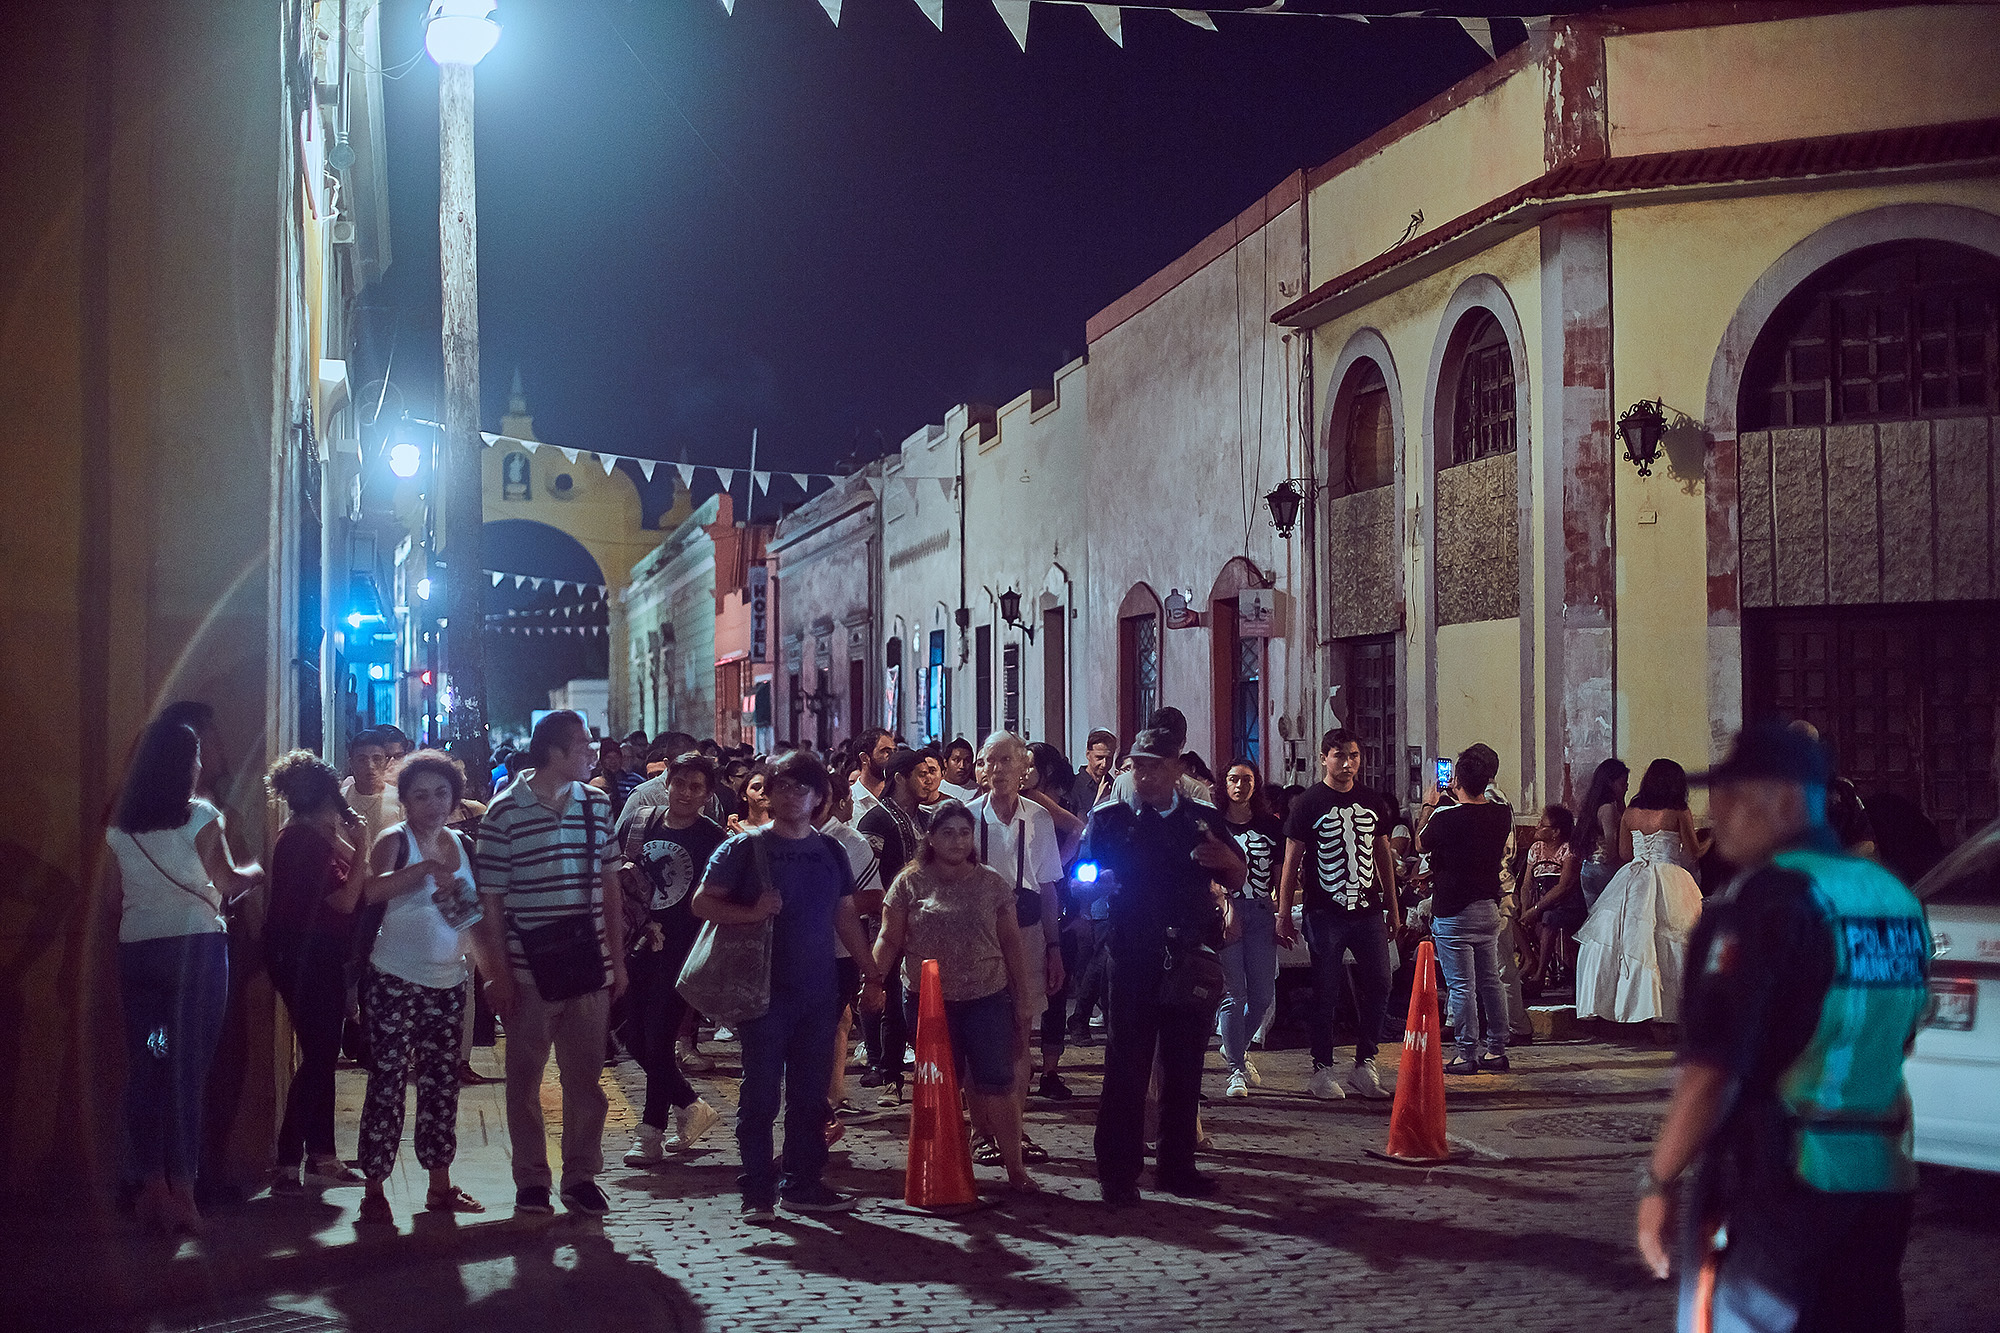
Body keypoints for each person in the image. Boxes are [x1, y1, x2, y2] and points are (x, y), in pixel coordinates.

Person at [1635, 721, 1929, 1332]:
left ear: (1788, 802)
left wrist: (1659, 1179)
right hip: (1880, 1180)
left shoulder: (1761, 902)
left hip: (1779, 1183)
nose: (1719, 812)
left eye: (1736, 796)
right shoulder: (1894, 897)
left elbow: (1710, 1072)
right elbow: (1901, 1031)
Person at [691, 751, 885, 1219]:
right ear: (769, 794)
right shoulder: (744, 848)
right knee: (760, 1093)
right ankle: (757, 1190)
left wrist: (871, 972)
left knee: (809, 1094)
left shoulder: (831, 851)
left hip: (818, 991)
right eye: (782, 786)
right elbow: (702, 903)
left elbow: (844, 915)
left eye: (803, 788)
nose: (792, 795)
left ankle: (802, 1183)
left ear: (820, 797)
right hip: (762, 992)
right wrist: (752, 912)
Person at [105, 719, 264, 1234]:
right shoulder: (201, 817)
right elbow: (227, 883)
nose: (201, 765)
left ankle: (150, 1186)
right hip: (194, 956)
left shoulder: (118, 825)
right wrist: (256, 870)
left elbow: (112, 900)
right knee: (189, 1068)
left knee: (152, 1061)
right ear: (183, 765)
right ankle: (185, 1194)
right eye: (195, 757)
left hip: (140, 958)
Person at [1077, 727, 1245, 1205]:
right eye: (1136, 765)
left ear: (1176, 769)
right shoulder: (1110, 820)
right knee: (1126, 1064)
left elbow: (1236, 873)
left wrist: (1224, 863)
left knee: (1185, 1064)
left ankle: (1177, 1165)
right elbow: (1080, 881)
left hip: (1188, 956)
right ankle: (1118, 1171)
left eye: (1153, 765)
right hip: (1131, 954)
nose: (1144, 774)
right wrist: (1095, 884)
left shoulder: (1202, 819)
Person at [472, 710, 625, 1218]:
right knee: (525, 1080)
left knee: (586, 1079)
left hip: (587, 963)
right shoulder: (503, 813)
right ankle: (532, 1179)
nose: (592, 753)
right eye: (583, 745)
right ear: (555, 753)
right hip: (527, 966)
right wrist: (497, 973)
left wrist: (617, 962)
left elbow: (610, 887)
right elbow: (491, 901)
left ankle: (581, 1176)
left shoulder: (597, 804)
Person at [353, 752, 499, 1224]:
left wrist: (491, 974)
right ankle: (374, 1188)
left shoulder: (461, 842)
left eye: (441, 793)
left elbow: (470, 918)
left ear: (455, 797)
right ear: (406, 801)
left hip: (448, 980)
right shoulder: (394, 841)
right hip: (393, 977)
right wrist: (421, 872)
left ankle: (440, 1185)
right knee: (388, 1083)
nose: (433, 804)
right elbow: (369, 893)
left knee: (441, 1085)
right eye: (421, 795)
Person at [874, 800, 1039, 1190]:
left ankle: (1015, 1167)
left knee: (997, 1079)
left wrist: (1023, 997)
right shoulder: (909, 883)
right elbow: (889, 936)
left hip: (986, 995)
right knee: (941, 1082)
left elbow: (1011, 943)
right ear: (930, 838)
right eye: (947, 832)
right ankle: (946, 1164)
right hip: (928, 1002)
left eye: (964, 832)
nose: (957, 840)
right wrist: (872, 980)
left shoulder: (991, 883)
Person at [1274, 728, 1401, 1100]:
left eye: (1354, 756)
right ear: (1324, 758)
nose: (1347, 764)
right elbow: (1291, 861)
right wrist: (1283, 912)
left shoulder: (1372, 800)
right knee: (1326, 990)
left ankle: (1366, 1062)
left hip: (1367, 910)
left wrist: (1392, 907)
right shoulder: (1308, 803)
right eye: (1339, 756)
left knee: (1380, 982)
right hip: (1324, 912)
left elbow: (1382, 856)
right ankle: (1321, 1067)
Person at [617, 752, 727, 1165]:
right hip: (638, 943)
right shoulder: (640, 823)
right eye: (678, 783)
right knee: (631, 1035)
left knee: (659, 1039)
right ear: (666, 782)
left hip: (682, 950)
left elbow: (718, 895)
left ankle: (650, 1133)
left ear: (708, 794)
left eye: (695, 787)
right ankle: (689, 1105)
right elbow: (618, 878)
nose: (684, 792)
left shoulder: (711, 837)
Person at [264, 751, 366, 1190]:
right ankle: (290, 1159)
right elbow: (345, 900)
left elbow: (362, 880)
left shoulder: (313, 835)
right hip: (306, 957)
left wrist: (345, 838)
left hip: (313, 955)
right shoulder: (301, 843)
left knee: (322, 1055)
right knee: (320, 1056)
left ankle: (322, 1155)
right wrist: (360, 846)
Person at [966, 734, 1065, 1163]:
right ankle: (980, 1130)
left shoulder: (1039, 818)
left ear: (1025, 768)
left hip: (1026, 933)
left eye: (1008, 760)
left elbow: (1048, 887)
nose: (1000, 769)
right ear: (981, 769)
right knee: (979, 1037)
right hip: (977, 939)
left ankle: (1014, 1131)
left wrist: (1054, 946)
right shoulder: (965, 818)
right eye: (992, 761)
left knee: (1021, 1032)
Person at [1574, 759, 1707, 1024]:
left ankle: (1630, 1007)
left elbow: (1624, 853)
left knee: (1631, 940)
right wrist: (1713, 838)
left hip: (1633, 876)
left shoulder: (1631, 811)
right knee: (1673, 939)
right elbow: (1694, 853)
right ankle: (1671, 1012)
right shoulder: (1679, 810)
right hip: (1670, 876)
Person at [1416, 744, 1514, 1075]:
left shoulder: (1446, 816)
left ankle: (1466, 1053)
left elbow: (1421, 843)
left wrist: (1430, 805)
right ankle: (1497, 1049)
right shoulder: (1501, 814)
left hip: (1454, 911)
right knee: (1491, 982)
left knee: (1461, 986)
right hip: (1488, 907)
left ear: (1457, 778)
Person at [856, 748, 929, 1101]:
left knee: (912, 993)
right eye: (921, 773)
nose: (928, 779)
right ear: (900, 778)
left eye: (932, 772)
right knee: (882, 989)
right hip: (884, 918)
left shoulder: (927, 819)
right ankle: (883, 1068)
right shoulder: (876, 820)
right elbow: (867, 873)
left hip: (924, 920)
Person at [817, 776, 883, 1130]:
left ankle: (821, 1115)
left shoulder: (849, 843)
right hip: (783, 957)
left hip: (836, 955)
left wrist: (871, 973)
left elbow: (872, 898)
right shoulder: (771, 838)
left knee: (823, 1032)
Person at [1217, 761, 1282, 1099]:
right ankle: (1235, 1071)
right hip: (1226, 911)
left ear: (1256, 785)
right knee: (1233, 993)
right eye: (1233, 779)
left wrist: (1281, 912)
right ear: (1223, 784)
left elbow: (1279, 873)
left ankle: (1234, 1046)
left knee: (1262, 995)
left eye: (1246, 779)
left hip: (1259, 910)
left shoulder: (1270, 827)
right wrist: (1223, 905)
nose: (1239, 786)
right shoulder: (1214, 824)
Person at [1517, 805, 1585, 993]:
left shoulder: (1569, 850)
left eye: (1542, 824)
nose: (1537, 826)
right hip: (1541, 901)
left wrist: (1535, 909)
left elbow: (1563, 888)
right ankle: (1530, 959)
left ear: (1555, 831)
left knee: (1549, 917)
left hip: (1566, 904)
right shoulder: (1536, 849)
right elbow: (1526, 884)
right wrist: (1525, 909)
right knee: (1508, 915)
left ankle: (1539, 975)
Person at [1576, 758, 1631, 913]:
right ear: (1610, 783)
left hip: (1589, 868)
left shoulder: (1595, 805)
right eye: (1622, 783)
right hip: (1604, 868)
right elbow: (1611, 846)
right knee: (1608, 919)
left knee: (1594, 918)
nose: (1626, 787)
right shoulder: (1607, 809)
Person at [342, 728, 403, 852]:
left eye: (377, 759)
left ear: (386, 762)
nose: (370, 766)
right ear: (351, 763)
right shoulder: (341, 799)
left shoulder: (401, 800)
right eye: (362, 759)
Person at [590, 738, 644, 822]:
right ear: (602, 760)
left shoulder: (636, 781)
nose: (613, 761)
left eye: (616, 757)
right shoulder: (596, 784)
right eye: (608, 757)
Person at [1067, 730, 1118, 818]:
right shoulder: (1072, 786)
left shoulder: (1115, 786)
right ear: (1088, 754)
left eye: (1109, 758)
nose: (1104, 764)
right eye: (1099, 757)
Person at [851, 727, 895, 823]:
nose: (892, 757)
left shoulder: (896, 796)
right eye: (885, 751)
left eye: (893, 751)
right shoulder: (850, 800)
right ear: (864, 758)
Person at [727, 764, 772, 834]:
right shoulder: (735, 828)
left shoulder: (781, 827)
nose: (763, 791)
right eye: (756, 787)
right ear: (744, 795)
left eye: (767, 788)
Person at [939, 737, 979, 804]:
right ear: (945, 763)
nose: (962, 766)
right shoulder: (935, 789)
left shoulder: (978, 792)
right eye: (956, 760)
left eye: (967, 761)